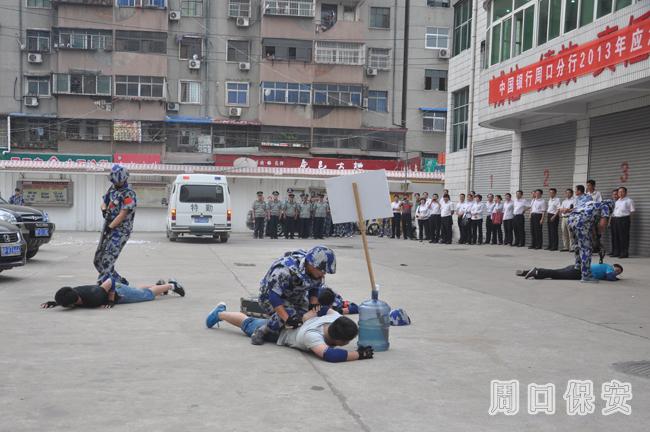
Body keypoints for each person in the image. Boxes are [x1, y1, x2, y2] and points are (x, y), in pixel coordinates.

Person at [222, 246, 336, 344]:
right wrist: (287, 319)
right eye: (323, 271)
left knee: (311, 314)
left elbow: (314, 288)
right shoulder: (284, 270)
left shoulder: (315, 272)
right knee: (292, 316)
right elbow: (274, 297)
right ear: (312, 265)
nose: (323, 274)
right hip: (270, 298)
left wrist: (313, 303)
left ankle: (280, 320)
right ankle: (262, 330)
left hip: (295, 296)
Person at [205, 302, 374, 362]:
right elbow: (330, 355)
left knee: (250, 320)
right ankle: (219, 313)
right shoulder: (312, 336)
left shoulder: (335, 318)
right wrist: (359, 355)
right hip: (276, 331)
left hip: (290, 319)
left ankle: (222, 313)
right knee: (248, 323)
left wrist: (308, 314)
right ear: (339, 341)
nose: (348, 344)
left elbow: (322, 308)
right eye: (347, 341)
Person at [93, 165, 137, 286]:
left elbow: (123, 214)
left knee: (107, 261)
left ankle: (104, 286)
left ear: (124, 179)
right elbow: (104, 202)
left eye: (117, 181)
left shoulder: (129, 194)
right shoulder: (112, 189)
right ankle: (120, 282)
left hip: (120, 231)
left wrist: (110, 227)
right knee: (98, 260)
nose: (115, 183)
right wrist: (103, 209)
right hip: (108, 227)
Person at [41, 278, 185, 309]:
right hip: (118, 290)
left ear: (75, 302)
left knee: (146, 295)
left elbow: (111, 280)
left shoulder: (94, 295)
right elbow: (65, 297)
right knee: (137, 290)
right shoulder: (72, 293)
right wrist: (56, 303)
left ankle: (172, 285)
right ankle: (161, 287)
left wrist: (110, 300)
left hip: (119, 292)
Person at [568, 198, 613, 283]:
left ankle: (578, 266)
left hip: (571, 220)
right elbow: (602, 225)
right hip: (581, 222)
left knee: (577, 244)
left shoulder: (590, 203)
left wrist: (594, 236)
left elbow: (591, 223)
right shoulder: (606, 206)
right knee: (586, 249)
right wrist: (598, 236)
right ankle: (586, 276)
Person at [517, 263, 622, 281]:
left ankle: (527, 272)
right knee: (556, 274)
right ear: (614, 266)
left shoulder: (604, 267)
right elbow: (610, 277)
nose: (616, 273)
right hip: (578, 272)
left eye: (618, 273)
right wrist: (617, 279)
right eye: (617, 270)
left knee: (555, 273)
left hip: (575, 267)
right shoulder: (609, 267)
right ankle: (537, 271)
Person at [611, 186, 635, 259]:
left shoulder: (629, 200)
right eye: (619, 192)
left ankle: (624, 253)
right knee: (616, 237)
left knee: (623, 237)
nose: (620, 193)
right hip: (615, 219)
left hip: (624, 220)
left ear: (626, 192)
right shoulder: (617, 201)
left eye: (622, 192)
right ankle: (616, 252)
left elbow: (632, 211)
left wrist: (629, 221)